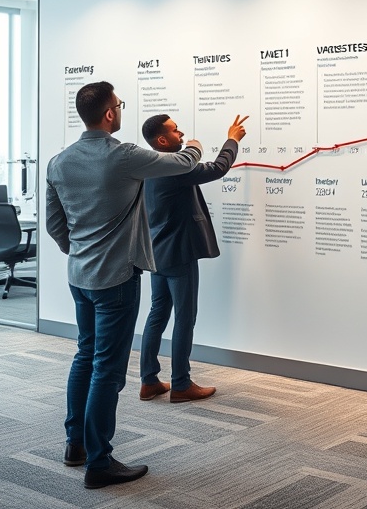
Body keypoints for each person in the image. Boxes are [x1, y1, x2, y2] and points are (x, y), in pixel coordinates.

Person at [46, 81, 203, 489]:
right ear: (111, 114)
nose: (120, 109)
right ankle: (100, 462)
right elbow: (184, 162)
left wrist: (80, 250)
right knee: (107, 370)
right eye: (119, 104)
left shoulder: (58, 162)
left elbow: (54, 225)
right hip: (115, 279)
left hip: (79, 277)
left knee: (84, 357)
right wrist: (199, 145)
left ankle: (75, 444)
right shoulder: (124, 155)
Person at [139, 113, 248, 403]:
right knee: (185, 318)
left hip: (157, 253)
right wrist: (232, 140)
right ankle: (181, 384)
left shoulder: (149, 165)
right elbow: (218, 167)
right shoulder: (175, 167)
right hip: (179, 254)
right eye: (175, 131)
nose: (182, 133)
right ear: (162, 140)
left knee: (157, 314)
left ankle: (149, 380)